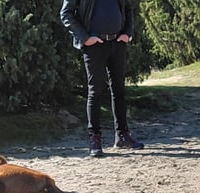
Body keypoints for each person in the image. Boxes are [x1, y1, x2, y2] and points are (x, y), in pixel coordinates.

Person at [60, 0, 145, 158]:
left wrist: (128, 33)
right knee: (95, 92)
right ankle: (95, 140)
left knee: (119, 91)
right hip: (93, 45)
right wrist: (85, 38)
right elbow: (66, 14)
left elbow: (128, 8)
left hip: (118, 43)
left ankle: (122, 136)